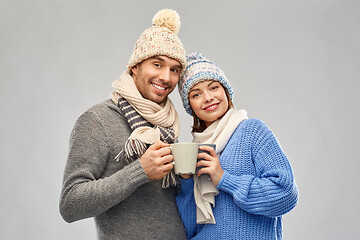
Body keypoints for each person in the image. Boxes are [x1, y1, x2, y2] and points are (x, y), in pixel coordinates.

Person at [59, 9, 187, 239]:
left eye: (174, 69)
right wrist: (140, 171)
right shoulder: (97, 120)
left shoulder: (167, 125)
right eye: (157, 64)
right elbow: (70, 204)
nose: (166, 77)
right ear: (135, 66)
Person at [175, 52, 299, 239]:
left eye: (213, 87)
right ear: (190, 106)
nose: (208, 97)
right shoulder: (197, 149)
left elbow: (285, 194)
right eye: (196, 94)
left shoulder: (252, 131)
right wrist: (185, 182)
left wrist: (224, 179)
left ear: (225, 91)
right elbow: (190, 228)